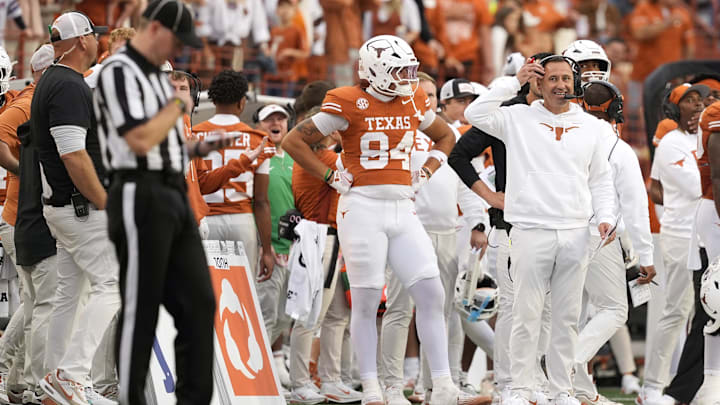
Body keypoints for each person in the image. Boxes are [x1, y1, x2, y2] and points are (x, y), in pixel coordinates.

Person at [283, 34, 486, 405]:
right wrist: (330, 175)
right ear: (375, 70)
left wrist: (425, 171)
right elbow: (293, 142)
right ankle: (373, 387)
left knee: (431, 292)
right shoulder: (347, 100)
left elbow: (444, 137)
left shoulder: (412, 98)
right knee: (364, 302)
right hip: (361, 207)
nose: (408, 77)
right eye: (400, 70)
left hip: (402, 206)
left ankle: (442, 384)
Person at [93, 1, 227, 403]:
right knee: (142, 303)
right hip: (138, 191)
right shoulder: (118, 70)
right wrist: (177, 107)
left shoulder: (154, 76)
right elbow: (138, 139)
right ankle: (131, 396)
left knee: (200, 302)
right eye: (175, 39)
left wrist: (203, 146)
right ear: (154, 29)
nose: (177, 51)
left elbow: (163, 144)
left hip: (172, 190)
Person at [464, 55, 617, 405]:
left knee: (566, 319)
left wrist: (605, 215)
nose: (560, 85)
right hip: (530, 230)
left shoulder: (594, 126)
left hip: (576, 231)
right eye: (552, 78)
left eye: (566, 78)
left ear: (574, 83)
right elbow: (475, 114)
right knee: (525, 314)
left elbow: (601, 180)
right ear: (539, 82)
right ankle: (519, 388)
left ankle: (560, 390)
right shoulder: (516, 116)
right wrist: (512, 82)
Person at [449, 51, 552, 400]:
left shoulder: (570, 116)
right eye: (538, 75)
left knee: (547, 308)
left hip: (554, 224)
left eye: (552, 76)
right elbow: (459, 154)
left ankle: (540, 380)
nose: (546, 82)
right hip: (510, 226)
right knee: (512, 305)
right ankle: (509, 384)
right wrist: (489, 196)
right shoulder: (506, 113)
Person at [31, 11, 121, 405]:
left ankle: (56, 382)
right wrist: (107, 202)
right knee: (112, 284)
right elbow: (73, 154)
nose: (99, 40)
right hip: (81, 206)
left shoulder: (55, 80)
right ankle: (71, 375)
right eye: (94, 35)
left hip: (64, 207)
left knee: (72, 294)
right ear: (83, 40)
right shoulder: (67, 85)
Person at [573, 80, 655, 405]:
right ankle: (569, 363)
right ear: (617, 109)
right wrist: (646, 256)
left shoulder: (567, 140)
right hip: (599, 237)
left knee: (571, 316)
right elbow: (636, 209)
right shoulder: (618, 149)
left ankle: (577, 391)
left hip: (559, 234)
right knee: (614, 310)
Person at [641, 83, 709, 405]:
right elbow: (700, 185)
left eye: (700, 100)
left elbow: (656, 186)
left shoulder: (702, 139)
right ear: (674, 109)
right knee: (676, 311)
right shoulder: (671, 142)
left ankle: (696, 383)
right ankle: (652, 385)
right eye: (689, 101)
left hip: (703, 234)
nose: (696, 107)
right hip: (682, 236)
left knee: (704, 312)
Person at [0, 44, 55, 405]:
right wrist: (32, 176)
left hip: (27, 214)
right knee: (43, 304)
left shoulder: (30, 100)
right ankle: (27, 379)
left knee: (35, 303)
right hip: (23, 214)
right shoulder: (27, 104)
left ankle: (16, 378)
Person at [192, 70, 276, 283]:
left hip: (205, 220)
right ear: (242, 102)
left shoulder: (194, 134)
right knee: (244, 291)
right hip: (241, 221)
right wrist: (266, 250)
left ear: (212, 99)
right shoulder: (259, 139)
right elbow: (262, 200)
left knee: (206, 289)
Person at [691, 100, 720, 405]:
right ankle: (712, 379)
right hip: (717, 209)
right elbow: (719, 175)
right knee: (718, 297)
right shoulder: (716, 114)